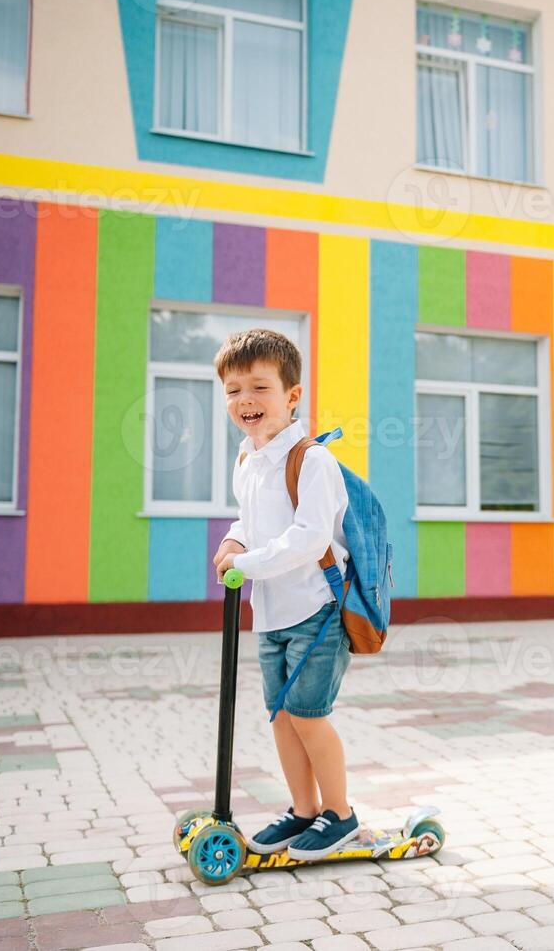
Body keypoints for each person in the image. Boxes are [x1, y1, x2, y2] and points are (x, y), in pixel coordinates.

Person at [210, 328, 360, 860]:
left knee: (308, 715)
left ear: (292, 396)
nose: (245, 400)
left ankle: (340, 815)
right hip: (270, 613)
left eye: (258, 387)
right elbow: (252, 522)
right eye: (233, 390)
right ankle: (303, 810)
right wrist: (234, 538)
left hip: (316, 610)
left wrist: (244, 563)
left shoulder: (311, 460)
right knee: (280, 715)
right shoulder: (248, 461)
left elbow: (309, 537)